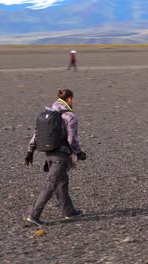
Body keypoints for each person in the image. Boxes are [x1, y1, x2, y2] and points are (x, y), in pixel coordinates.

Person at [24, 89, 87, 226]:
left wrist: (30, 152)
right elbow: (72, 140)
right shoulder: (70, 116)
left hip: (49, 153)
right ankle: (34, 214)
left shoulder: (49, 113)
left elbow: (37, 135)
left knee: (62, 181)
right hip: (61, 155)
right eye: (73, 99)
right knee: (51, 184)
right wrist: (79, 153)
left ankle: (68, 211)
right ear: (69, 99)